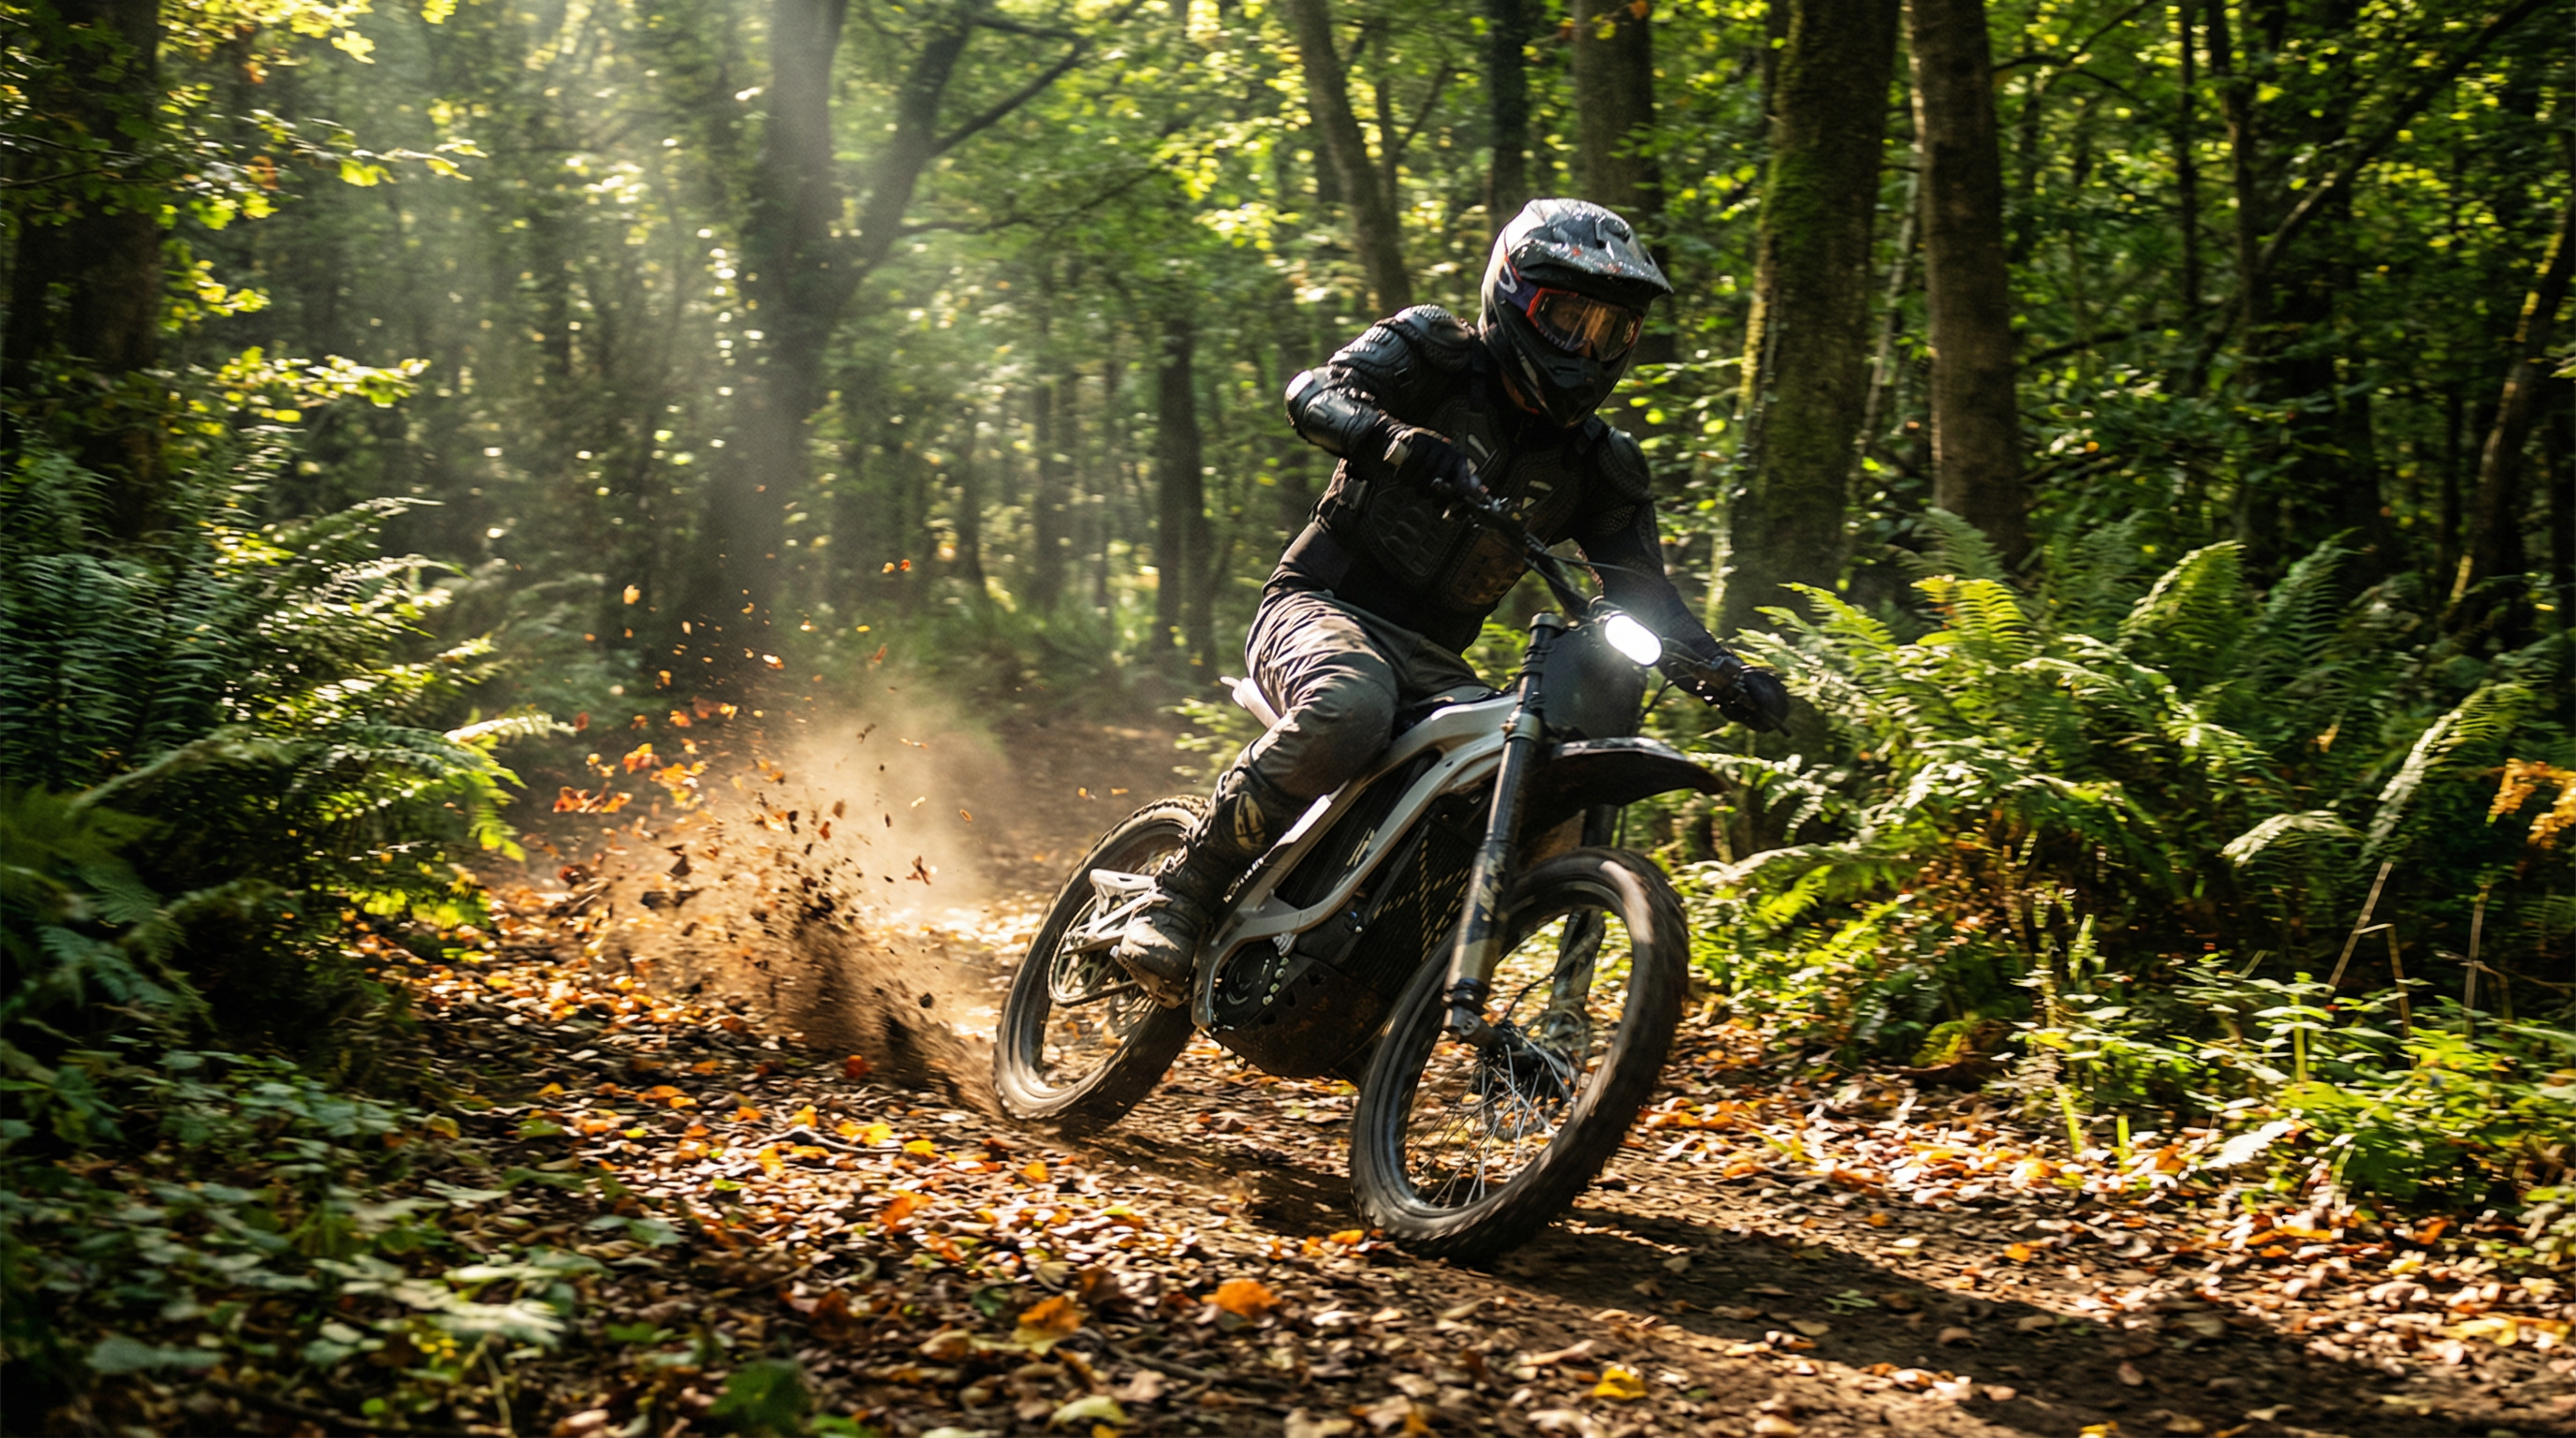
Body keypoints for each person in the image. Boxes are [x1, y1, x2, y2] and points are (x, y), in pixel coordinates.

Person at [1113, 198, 1790, 1004]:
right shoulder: (1433, 352)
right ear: (1511, 295)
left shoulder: (1603, 466)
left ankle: (1387, 976)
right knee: (1350, 704)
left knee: (1517, 768)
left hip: (1435, 663)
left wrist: (1721, 672)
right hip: (1320, 603)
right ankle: (1184, 887)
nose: (1588, 346)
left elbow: (1649, 598)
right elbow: (1314, 391)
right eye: (1567, 317)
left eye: (1613, 331)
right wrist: (1387, 437)